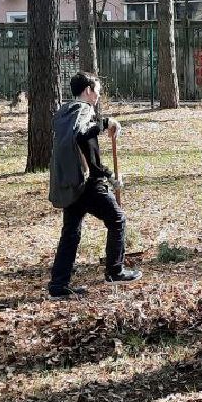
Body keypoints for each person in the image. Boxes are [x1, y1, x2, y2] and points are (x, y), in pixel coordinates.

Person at [48, 72, 142, 298]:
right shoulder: (83, 111)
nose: (98, 95)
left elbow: (83, 146)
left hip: (71, 183)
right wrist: (106, 123)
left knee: (71, 232)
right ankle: (114, 271)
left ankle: (58, 286)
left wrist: (107, 173)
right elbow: (83, 138)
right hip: (86, 183)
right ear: (88, 90)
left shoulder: (65, 113)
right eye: (97, 90)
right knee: (117, 219)